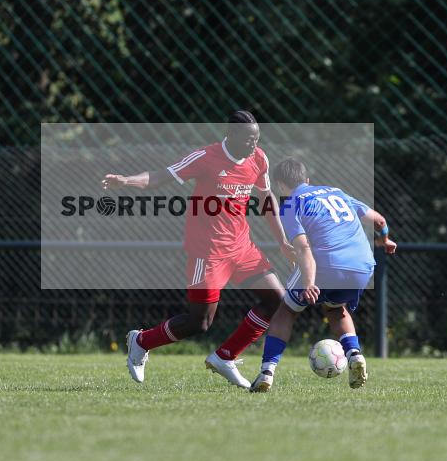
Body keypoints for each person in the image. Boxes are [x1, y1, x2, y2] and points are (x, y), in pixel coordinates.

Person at [102, 111, 295, 388]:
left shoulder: (259, 159)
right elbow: (160, 177)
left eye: (257, 138)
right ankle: (141, 341)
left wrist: (283, 242)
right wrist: (126, 181)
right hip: (208, 253)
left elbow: (267, 200)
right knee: (199, 322)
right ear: (231, 133)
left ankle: (225, 356)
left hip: (242, 248)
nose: (254, 144)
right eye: (249, 139)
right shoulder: (206, 157)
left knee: (277, 300)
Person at [250, 158, 397, 392]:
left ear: (279, 185)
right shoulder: (336, 192)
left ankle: (267, 371)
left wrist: (308, 282)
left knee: (287, 310)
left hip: (327, 265)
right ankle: (354, 354)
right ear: (307, 180)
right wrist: (385, 239)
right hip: (362, 265)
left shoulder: (290, 204)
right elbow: (379, 220)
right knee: (336, 308)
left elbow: (303, 248)